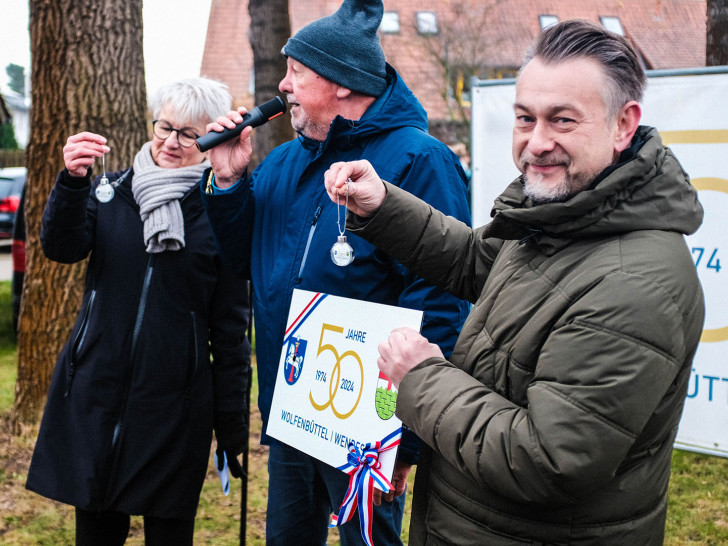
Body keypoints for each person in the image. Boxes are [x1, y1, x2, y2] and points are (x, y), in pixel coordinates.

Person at [323, 19, 705, 545]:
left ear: (623, 124)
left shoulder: (634, 283)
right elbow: (474, 261)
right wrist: (384, 206)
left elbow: (548, 460)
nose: (536, 142)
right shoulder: (565, 214)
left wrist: (422, 377)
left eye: (563, 120)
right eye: (525, 118)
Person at [199, 0, 471, 543]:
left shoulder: (419, 160)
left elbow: (441, 301)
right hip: (297, 409)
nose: (285, 85)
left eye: (297, 72)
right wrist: (229, 183)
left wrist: (406, 439)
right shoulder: (284, 162)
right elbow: (245, 263)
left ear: (342, 84)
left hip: (370, 426)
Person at [25, 77, 252, 546]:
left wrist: (232, 428)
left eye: (189, 133)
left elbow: (230, 333)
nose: (171, 142)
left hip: (174, 409)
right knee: (96, 533)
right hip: (97, 395)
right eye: (164, 127)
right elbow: (61, 247)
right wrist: (72, 182)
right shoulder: (110, 192)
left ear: (213, 139)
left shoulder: (219, 212)